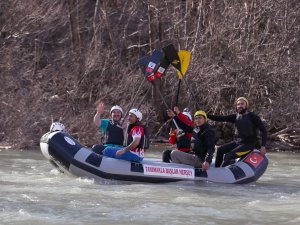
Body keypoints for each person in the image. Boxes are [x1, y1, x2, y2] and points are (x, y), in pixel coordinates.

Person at [207, 97, 267, 167]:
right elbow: (220, 118)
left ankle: (222, 172)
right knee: (220, 150)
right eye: (238, 104)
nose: (240, 106)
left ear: (246, 105)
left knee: (228, 155)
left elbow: (264, 131)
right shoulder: (235, 117)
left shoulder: (253, 117)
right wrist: (206, 115)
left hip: (248, 145)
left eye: (242, 104)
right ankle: (217, 169)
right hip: (237, 142)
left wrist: (263, 146)